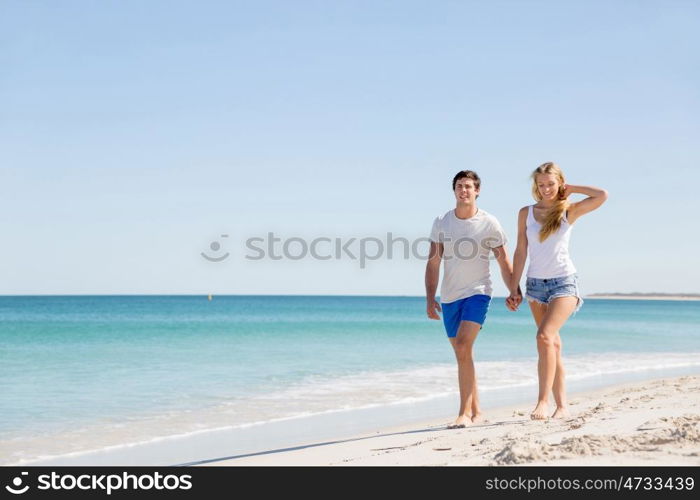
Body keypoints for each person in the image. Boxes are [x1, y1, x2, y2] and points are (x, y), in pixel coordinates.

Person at [509, 162, 608, 420]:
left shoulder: (568, 210)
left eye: (551, 184)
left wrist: (570, 189)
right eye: (541, 185)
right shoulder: (526, 213)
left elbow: (601, 195)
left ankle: (543, 401)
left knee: (544, 336)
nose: (546, 189)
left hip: (564, 282)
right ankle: (562, 406)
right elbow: (521, 251)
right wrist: (513, 286)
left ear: (559, 183)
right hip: (535, 285)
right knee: (552, 344)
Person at [425, 170, 521, 428]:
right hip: (449, 296)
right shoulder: (442, 222)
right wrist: (429, 297)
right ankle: (478, 411)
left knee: (464, 346)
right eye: (459, 186)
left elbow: (503, 261)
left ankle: (463, 414)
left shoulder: (489, 223)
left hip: (478, 292)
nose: (463, 190)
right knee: (462, 353)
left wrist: (514, 289)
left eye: (468, 186)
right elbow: (433, 263)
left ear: (477, 190)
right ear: (454, 190)